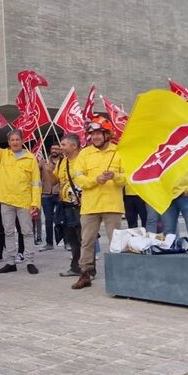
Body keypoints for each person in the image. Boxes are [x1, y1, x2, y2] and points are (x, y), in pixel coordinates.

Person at [71, 116, 125, 289]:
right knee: (86, 241)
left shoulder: (119, 152)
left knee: (115, 242)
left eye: (98, 133)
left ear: (107, 134)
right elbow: (78, 178)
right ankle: (85, 274)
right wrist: (96, 179)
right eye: (92, 134)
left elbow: (127, 178)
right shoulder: (84, 154)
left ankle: (118, 276)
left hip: (112, 205)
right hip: (90, 206)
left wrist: (114, 176)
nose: (95, 137)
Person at [0, 124, 41, 275]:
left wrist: (35, 203)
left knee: (27, 232)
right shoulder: (3, 155)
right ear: (8, 142)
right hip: (6, 200)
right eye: (12, 140)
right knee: (8, 232)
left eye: (17, 139)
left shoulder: (30, 158)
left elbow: (36, 183)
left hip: (24, 201)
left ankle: (30, 262)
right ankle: (11, 262)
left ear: (22, 141)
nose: (14, 142)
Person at [51, 134, 82, 277]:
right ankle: (75, 267)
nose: (60, 148)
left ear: (73, 146)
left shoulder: (83, 160)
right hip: (65, 205)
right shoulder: (62, 162)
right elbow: (53, 181)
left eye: (64, 145)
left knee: (84, 238)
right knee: (72, 239)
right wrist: (47, 170)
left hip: (80, 205)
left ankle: (88, 268)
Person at [39, 144, 61, 250]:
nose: (54, 150)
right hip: (46, 194)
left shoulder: (63, 161)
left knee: (61, 219)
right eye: (52, 148)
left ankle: (67, 242)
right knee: (48, 219)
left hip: (59, 193)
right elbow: (36, 173)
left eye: (57, 148)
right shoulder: (44, 161)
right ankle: (49, 243)